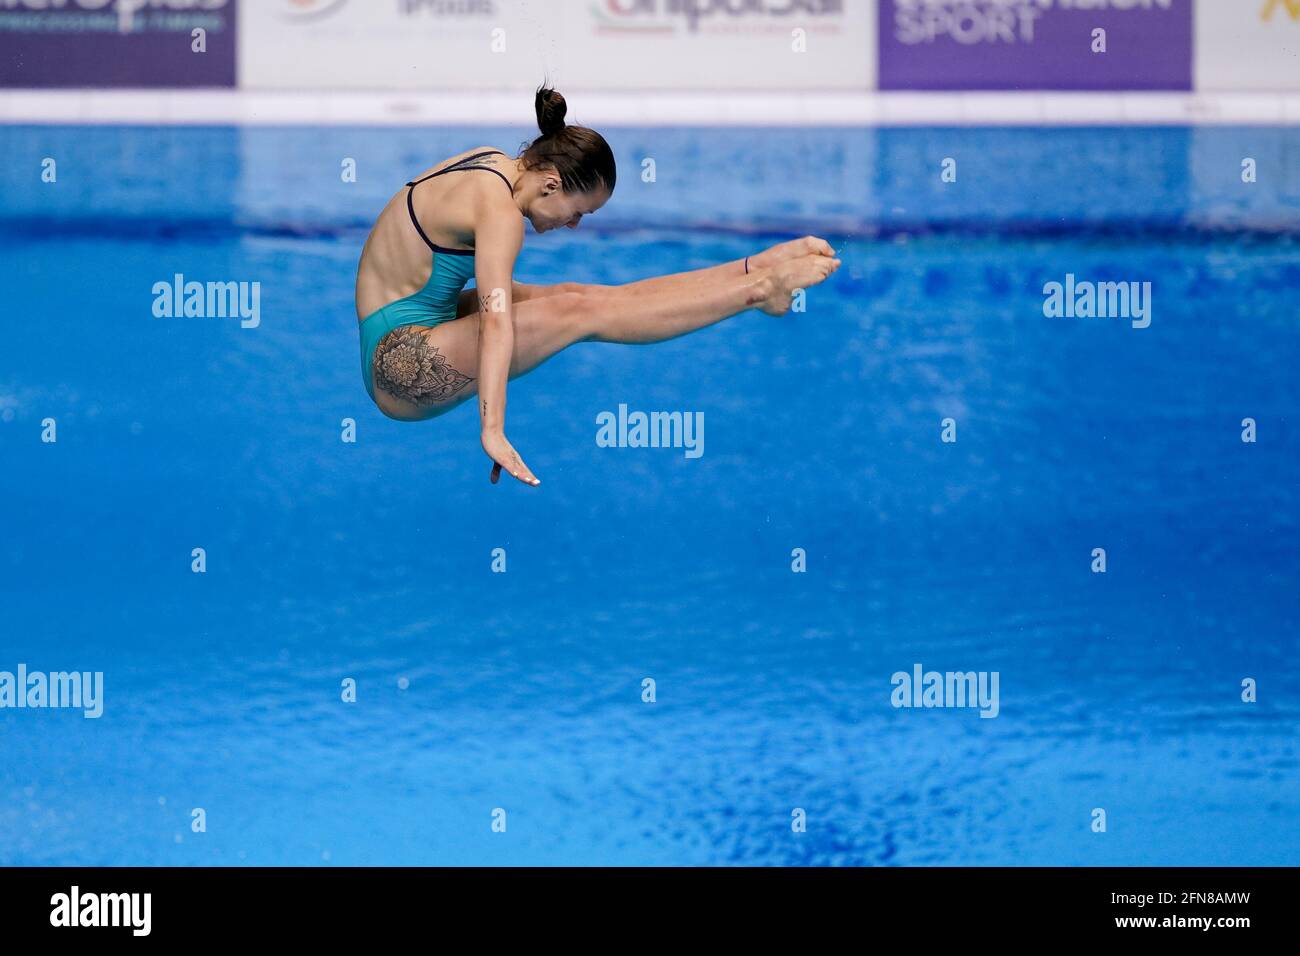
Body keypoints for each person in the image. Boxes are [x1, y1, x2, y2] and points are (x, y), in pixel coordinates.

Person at [354, 86, 839, 487]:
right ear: (549, 183)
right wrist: (493, 429)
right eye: (578, 212)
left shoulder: (493, 161)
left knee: (580, 297)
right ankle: (757, 292)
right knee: (577, 314)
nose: (573, 225)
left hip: (416, 320)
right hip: (396, 368)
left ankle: (753, 270)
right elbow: (496, 321)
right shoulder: (500, 214)